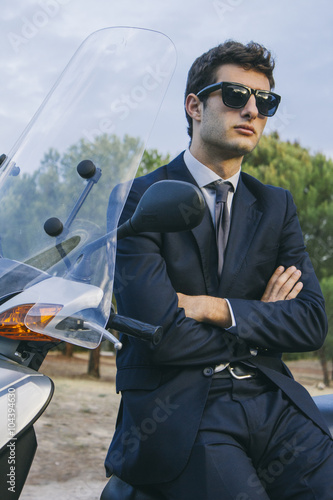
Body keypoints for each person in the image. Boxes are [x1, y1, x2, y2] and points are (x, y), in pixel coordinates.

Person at [104, 40, 333, 499]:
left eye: (264, 101)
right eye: (234, 95)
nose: (251, 110)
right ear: (194, 105)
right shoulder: (137, 196)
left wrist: (215, 308)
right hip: (181, 411)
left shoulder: (276, 205)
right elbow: (161, 334)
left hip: (273, 402)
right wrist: (261, 319)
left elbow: (310, 323)